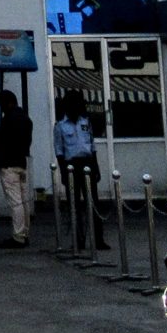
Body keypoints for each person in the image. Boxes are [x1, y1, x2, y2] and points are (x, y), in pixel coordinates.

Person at [53, 89, 108, 250]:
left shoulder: (86, 122)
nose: (77, 107)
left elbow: (92, 146)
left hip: (87, 164)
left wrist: (96, 168)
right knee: (74, 205)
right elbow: (59, 151)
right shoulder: (60, 126)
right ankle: (79, 240)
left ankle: (99, 240)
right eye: (74, 104)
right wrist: (63, 172)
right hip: (71, 166)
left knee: (93, 203)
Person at [0, 89, 33, 246]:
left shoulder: (8, 119)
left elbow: (4, 142)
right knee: (23, 201)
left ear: (7, 103)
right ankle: (25, 233)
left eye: (1, 104)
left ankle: (18, 236)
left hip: (8, 164)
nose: (0, 108)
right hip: (21, 163)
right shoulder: (26, 119)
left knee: (15, 202)